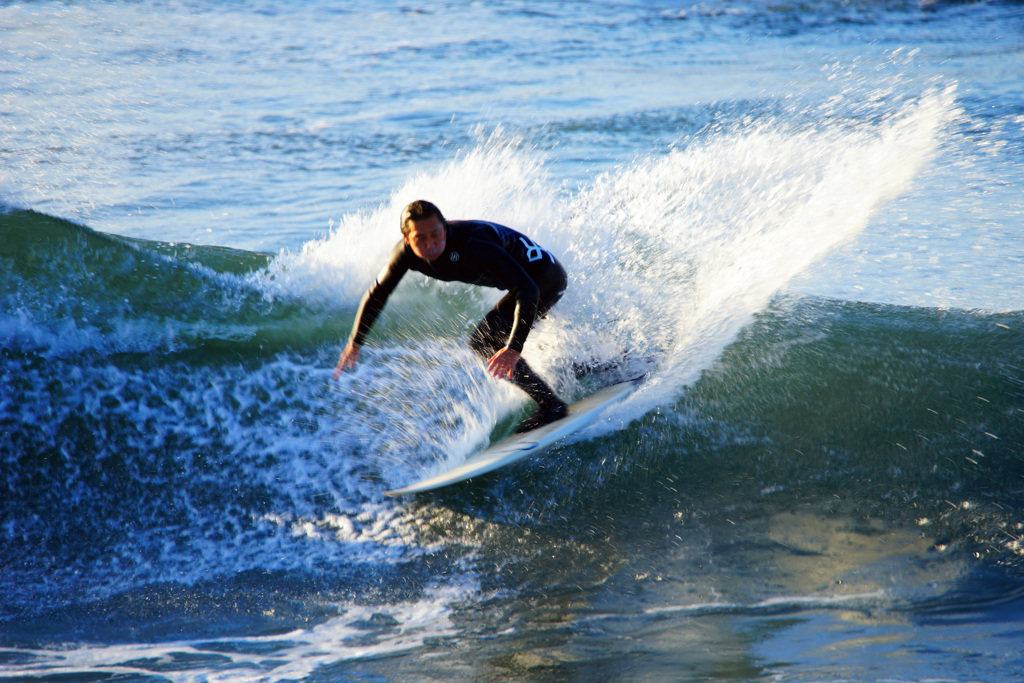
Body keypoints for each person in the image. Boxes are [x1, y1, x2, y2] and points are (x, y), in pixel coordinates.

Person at [333, 200, 569, 432]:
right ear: (407, 239)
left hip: (544, 279)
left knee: (485, 340)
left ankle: (551, 406)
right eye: (420, 239)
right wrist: (356, 341)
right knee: (487, 339)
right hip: (527, 283)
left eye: (436, 234)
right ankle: (578, 369)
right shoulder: (405, 254)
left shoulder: (472, 245)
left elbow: (528, 290)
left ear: (445, 228)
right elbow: (377, 294)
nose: (431, 244)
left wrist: (514, 347)